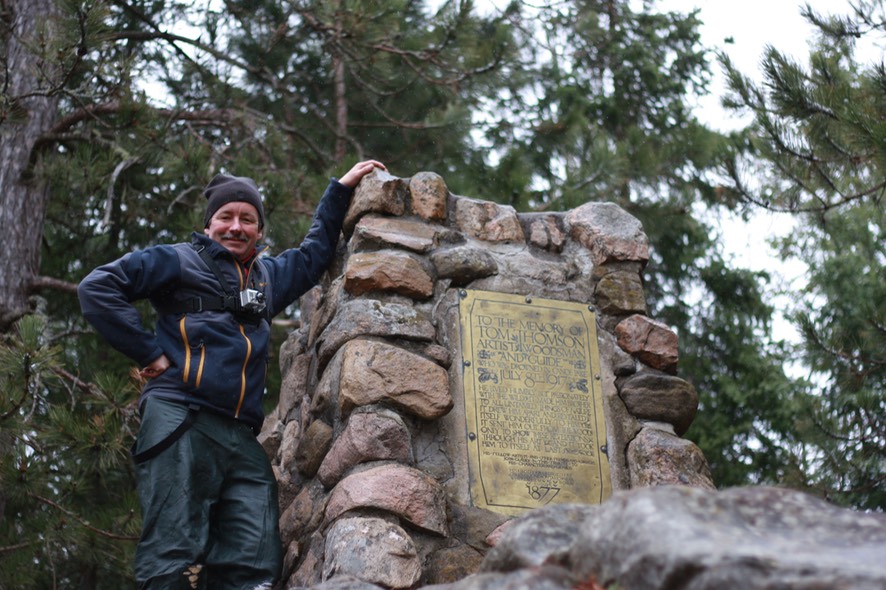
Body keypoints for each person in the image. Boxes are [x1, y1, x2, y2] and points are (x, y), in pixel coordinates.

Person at [78, 160, 386, 590]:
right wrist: (149, 352)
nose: (236, 227)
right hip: (179, 417)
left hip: (240, 435)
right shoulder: (177, 260)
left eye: (248, 219)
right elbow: (97, 287)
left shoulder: (266, 279)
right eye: (226, 217)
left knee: (254, 556)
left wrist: (340, 190)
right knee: (172, 550)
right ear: (209, 226)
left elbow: (314, 254)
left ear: (259, 231)